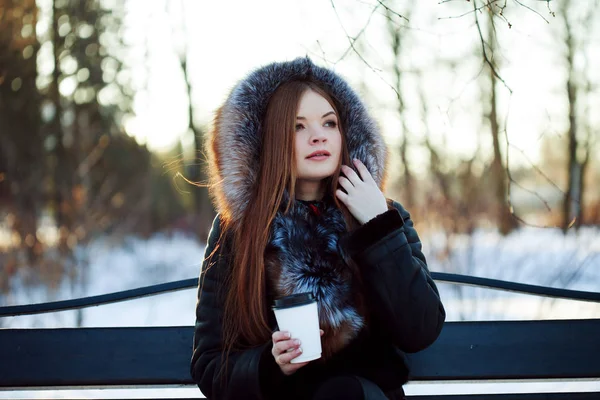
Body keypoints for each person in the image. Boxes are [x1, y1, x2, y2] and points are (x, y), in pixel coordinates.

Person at [190, 57, 445, 400]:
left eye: (329, 123)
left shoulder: (383, 215)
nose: (318, 137)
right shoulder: (240, 230)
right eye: (298, 126)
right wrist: (270, 364)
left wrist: (376, 227)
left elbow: (420, 329)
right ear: (271, 139)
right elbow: (210, 364)